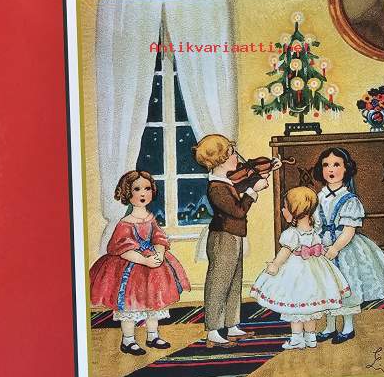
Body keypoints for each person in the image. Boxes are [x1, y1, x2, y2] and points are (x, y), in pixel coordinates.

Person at [89, 170, 190, 356]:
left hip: (154, 267)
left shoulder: (150, 218)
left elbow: (159, 237)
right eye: (137, 189)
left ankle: (153, 335)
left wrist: (159, 254)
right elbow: (120, 248)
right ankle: (128, 340)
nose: (143, 193)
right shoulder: (125, 223)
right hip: (132, 267)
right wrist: (144, 260)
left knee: (154, 301)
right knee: (129, 305)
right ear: (127, 192)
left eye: (147, 188)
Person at [250, 186, 352, 350]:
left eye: (285, 207)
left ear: (294, 211)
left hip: (296, 272)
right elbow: (318, 247)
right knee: (309, 307)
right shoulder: (313, 231)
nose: (283, 210)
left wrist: (275, 264)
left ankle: (297, 338)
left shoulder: (292, 233)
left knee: (297, 307)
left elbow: (285, 252)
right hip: (315, 271)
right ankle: (310, 338)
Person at [193, 134, 268, 349]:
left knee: (234, 282)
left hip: (234, 236)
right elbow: (238, 211)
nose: (237, 157)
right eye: (232, 153)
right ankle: (213, 331)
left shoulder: (228, 181)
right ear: (221, 160)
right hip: (223, 237)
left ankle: (232, 325)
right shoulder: (217, 187)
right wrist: (252, 192)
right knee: (219, 284)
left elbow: (243, 185)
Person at [313, 147, 384, 343]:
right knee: (328, 287)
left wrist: (335, 248)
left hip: (344, 248)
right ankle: (330, 326)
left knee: (346, 286)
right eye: (326, 165)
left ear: (346, 169)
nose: (331, 169)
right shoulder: (319, 197)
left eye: (336, 165)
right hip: (322, 246)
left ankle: (348, 326)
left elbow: (349, 230)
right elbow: (316, 224)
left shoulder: (350, 200)